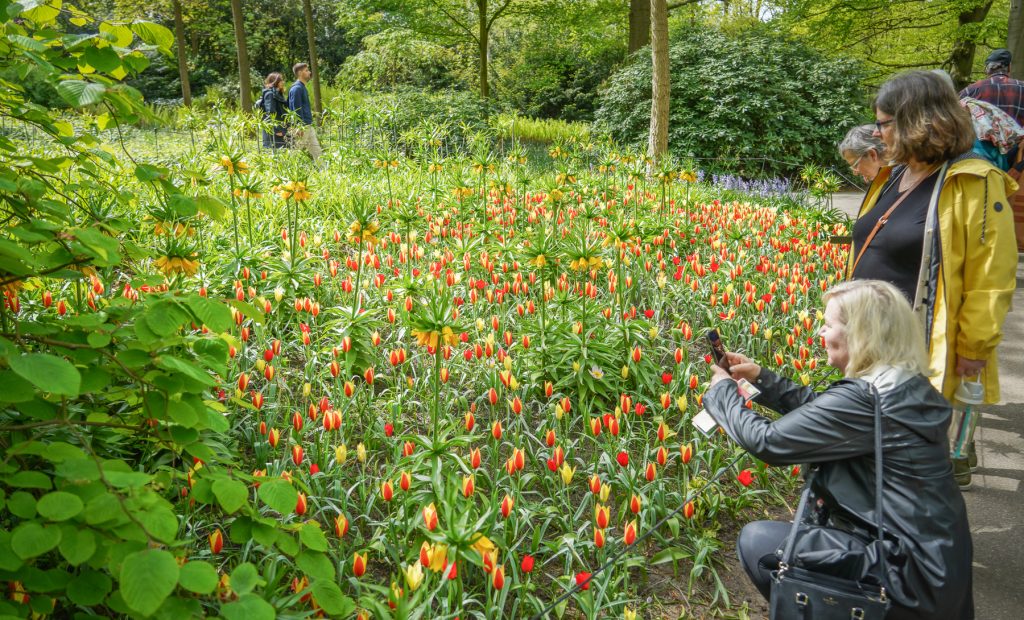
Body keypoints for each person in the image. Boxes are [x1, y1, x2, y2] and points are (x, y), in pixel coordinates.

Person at [704, 279, 973, 620]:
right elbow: (824, 412)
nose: (820, 333)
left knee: (759, 543)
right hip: (935, 565)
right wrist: (762, 378)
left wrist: (723, 393)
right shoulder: (901, 383)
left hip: (905, 579)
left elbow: (767, 442)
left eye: (829, 325)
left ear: (862, 333)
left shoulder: (865, 399)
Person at [849, 71, 1017, 488]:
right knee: (873, 454)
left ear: (916, 122)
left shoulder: (974, 183)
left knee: (910, 462)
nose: (877, 132)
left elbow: (991, 274)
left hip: (920, 347)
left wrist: (974, 348)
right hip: (871, 341)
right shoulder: (894, 175)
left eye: (884, 122)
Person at [960, 48, 1024, 127]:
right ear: (1009, 67)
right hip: (1018, 139)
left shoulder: (971, 90)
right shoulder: (1022, 87)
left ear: (987, 69)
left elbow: (954, 115)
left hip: (982, 139)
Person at [288, 62, 322, 160]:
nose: (309, 72)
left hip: (308, 125)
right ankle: (286, 170)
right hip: (302, 127)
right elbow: (296, 108)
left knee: (317, 152)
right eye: (306, 71)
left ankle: (324, 172)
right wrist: (299, 127)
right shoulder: (297, 89)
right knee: (295, 152)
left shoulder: (302, 87)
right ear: (300, 73)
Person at [260, 72, 288, 149]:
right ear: (275, 81)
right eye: (280, 80)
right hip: (274, 131)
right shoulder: (270, 94)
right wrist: (276, 130)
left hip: (281, 129)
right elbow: (270, 113)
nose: (283, 82)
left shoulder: (278, 94)